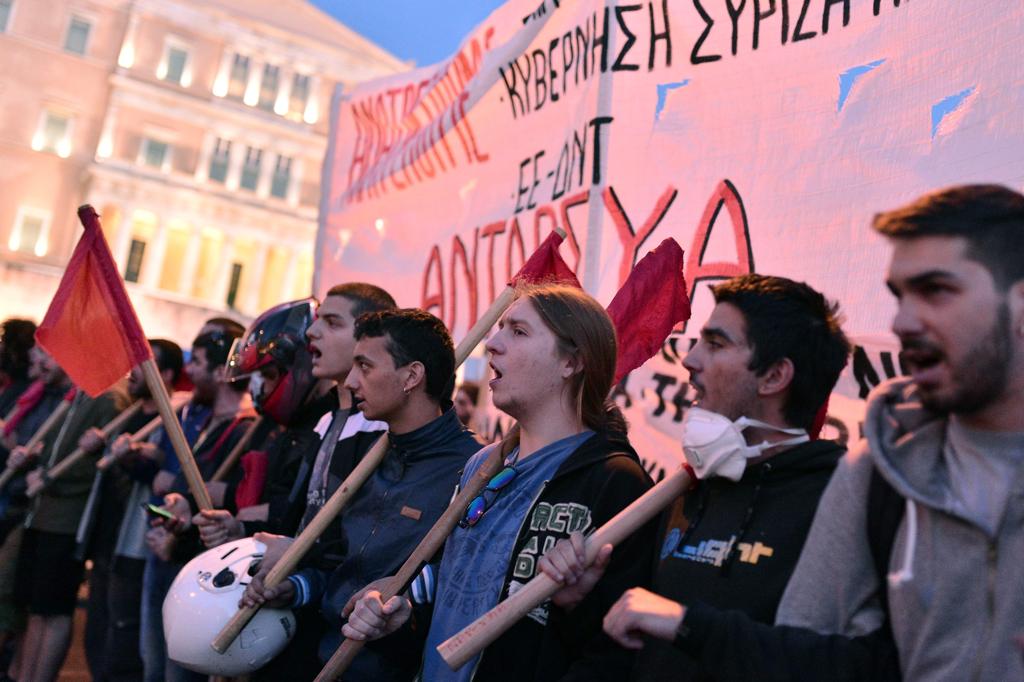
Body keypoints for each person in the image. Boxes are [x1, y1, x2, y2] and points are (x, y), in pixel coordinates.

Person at [595, 185, 1024, 681]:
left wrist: (691, 627)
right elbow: (813, 661)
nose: (903, 322)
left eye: (937, 290)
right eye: (898, 297)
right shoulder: (878, 477)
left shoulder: (841, 481)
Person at [537, 274, 851, 681]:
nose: (689, 359)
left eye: (716, 344)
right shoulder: (686, 492)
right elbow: (631, 656)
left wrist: (689, 625)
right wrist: (582, 605)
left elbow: (849, 665)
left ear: (774, 377)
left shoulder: (842, 501)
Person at [343, 283, 655, 681]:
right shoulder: (481, 468)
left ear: (572, 362)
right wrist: (404, 619)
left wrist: (574, 606)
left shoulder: (615, 481)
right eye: (500, 328)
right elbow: (453, 598)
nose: (492, 344)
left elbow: (615, 650)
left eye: (519, 332)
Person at [241, 308, 479, 681]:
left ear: (412, 376)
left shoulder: (473, 469)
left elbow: (467, 588)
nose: (350, 382)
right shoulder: (366, 456)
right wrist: (296, 587)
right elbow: (342, 568)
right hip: (323, 662)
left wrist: (402, 611)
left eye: (364, 367)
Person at [12, 358, 129, 682]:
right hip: (40, 514)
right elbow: (55, 447)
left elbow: (103, 468)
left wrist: (51, 478)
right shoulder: (75, 393)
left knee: (52, 609)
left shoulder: (108, 399)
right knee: (34, 608)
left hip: (68, 521)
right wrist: (30, 461)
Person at [77, 339, 183, 682]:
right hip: (107, 536)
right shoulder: (129, 412)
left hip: (136, 543)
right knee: (97, 631)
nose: (131, 373)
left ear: (164, 373)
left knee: (123, 639)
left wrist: (137, 457)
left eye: (140, 365)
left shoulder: (174, 418)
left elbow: (165, 479)